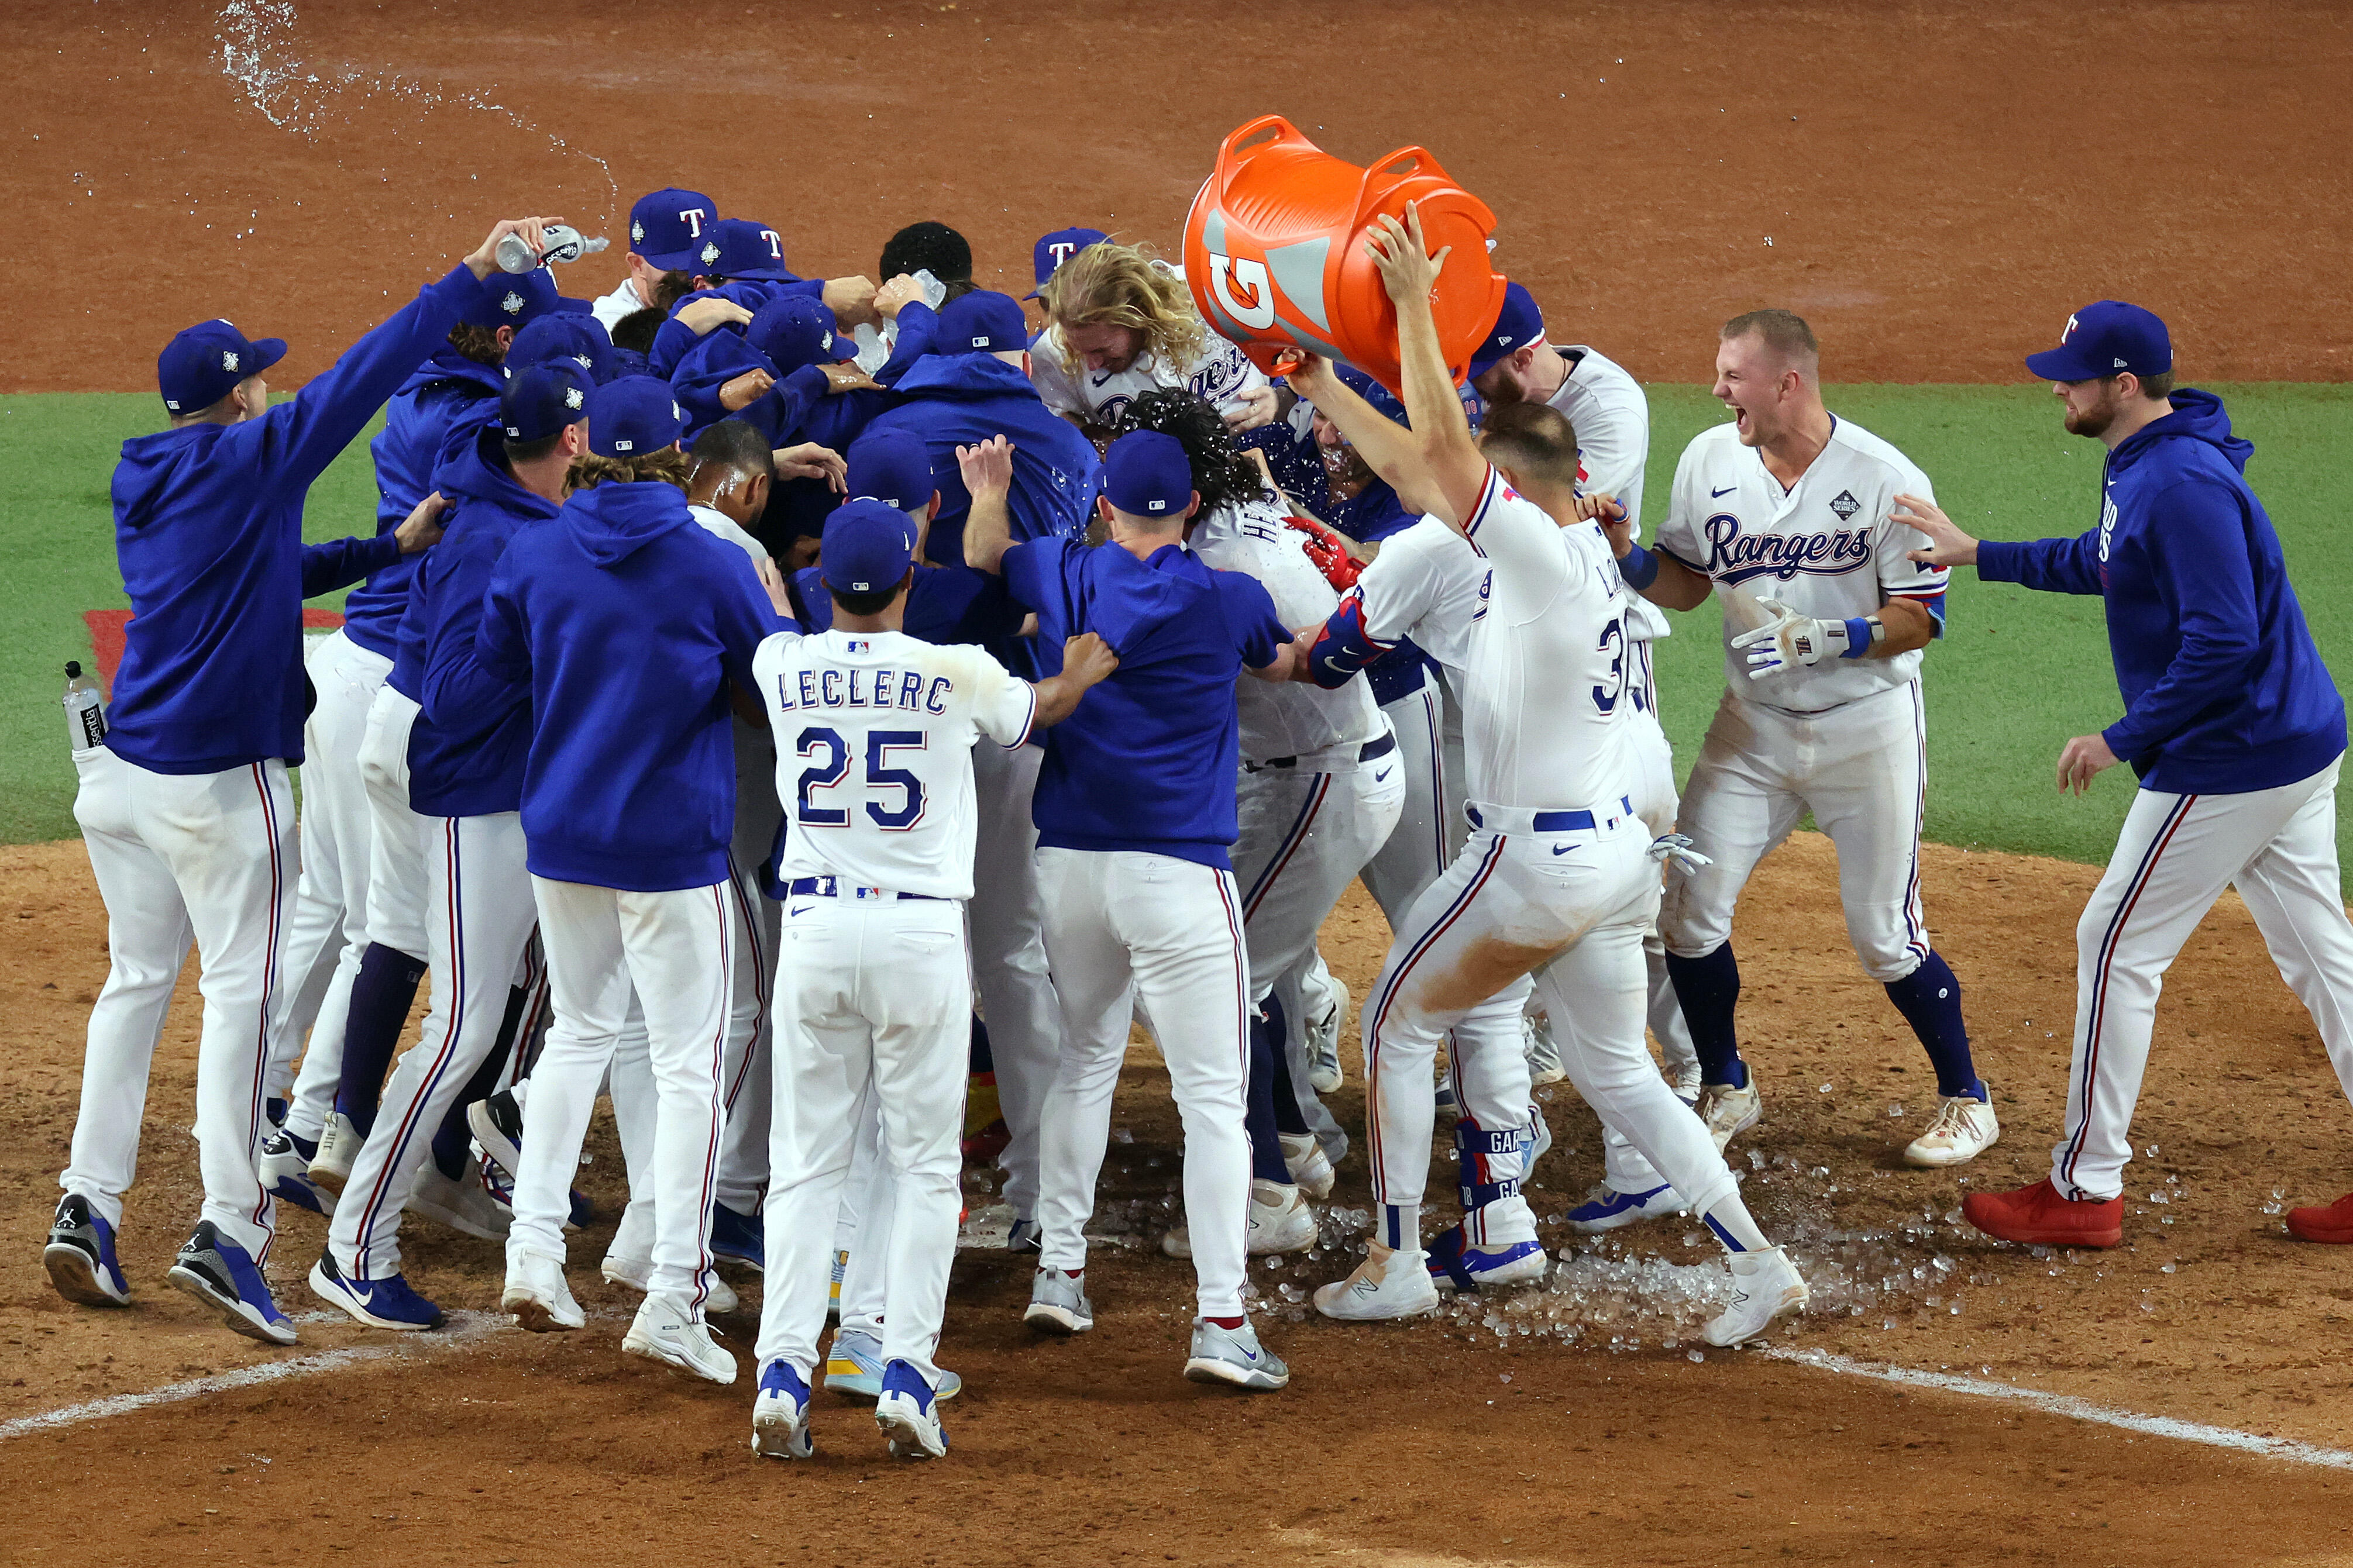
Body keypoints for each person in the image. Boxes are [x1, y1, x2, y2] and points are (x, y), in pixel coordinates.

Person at [1291, 206, 1805, 1347]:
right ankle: (1759, 1261)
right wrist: (1320, 385)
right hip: (1617, 850)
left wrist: (1415, 310)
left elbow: (1433, 455)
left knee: (1394, 1024)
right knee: (1618, 1068)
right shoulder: (1589, 544)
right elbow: (1426, 463)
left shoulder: (1524, 553)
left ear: (1512, 491)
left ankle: (1396, 1261)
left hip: (1539, 859)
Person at [42, 214, 547, 1342]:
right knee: (242, 1004)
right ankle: (230, 1229)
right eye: (260, 380)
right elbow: (363, 377)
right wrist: (468, 274)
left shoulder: (158, 472)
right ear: (237, 401)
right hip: (217, 796)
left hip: (119, 783)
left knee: (134, 989)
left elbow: (264, 569)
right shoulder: (251, 454)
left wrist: (384, 551)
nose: (275, 388)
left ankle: (88, 1200)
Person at [1896, 302, 2353, 1248]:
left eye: (2071, 374)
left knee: (2114, 944)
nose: (2055, 387)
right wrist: (1979, 552)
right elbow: (2110, 564)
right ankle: (2085, 1180)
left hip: (2231, 758)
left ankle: (2083, 1188)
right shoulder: (2149, 461)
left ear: (2124, 384)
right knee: (2322, 963)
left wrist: (2118, 737)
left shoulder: (2179, 483)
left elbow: (2222, 641)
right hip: (2291, 743)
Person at [748, 499, 1117, 1462]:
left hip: (816, 929)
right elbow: (1036, 710)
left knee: (805, 1166)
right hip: (917, 938)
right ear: (911, 576)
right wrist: (1074, 670)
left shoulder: (778, 665)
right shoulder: (954, 670)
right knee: (921, 1167)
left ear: (825, 581)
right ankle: (905, 1374)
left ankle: (783, 1369)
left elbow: (773, 617)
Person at [1615, 308, 1996, 1170]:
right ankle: (1725, 1084)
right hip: (1750, 730)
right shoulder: (1709, 460)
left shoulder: (1883, 479)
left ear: (1786, 382)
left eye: (1732, 376)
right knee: (1686, 913)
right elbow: (1681, 585)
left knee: (1884, 935)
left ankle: (1966, 1100)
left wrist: (1834, 639)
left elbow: (1920, 618)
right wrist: (1627, 553)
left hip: (1866, 731)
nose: (1716, 391)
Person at [961, 428, 1299, 1391]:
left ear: (1106, 506)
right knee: (1213, 1103)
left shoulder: (1067, 574)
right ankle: (1222, 1322)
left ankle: (1060, 1273)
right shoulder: (1229, 595)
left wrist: (988, 487)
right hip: (1179, 877)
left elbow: (986, 554)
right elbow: (1286, 664)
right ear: (1189, 505)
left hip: (1070, 867)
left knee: (1084, 1060)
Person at [476, 376, 785, 1384]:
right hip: (670, 846)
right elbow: (768, 691)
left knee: (579, 1031)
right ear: (674, 455)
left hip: (562, 834)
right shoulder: (709, 561)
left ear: (587, 450)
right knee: (688, 1066)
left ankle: (532, 1253)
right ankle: (672, 1296)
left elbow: (500, 670)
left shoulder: (532, 550)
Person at [285, 263, 587, 1205]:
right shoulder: (484, 461)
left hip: (372, 686)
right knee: (469, 979)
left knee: (372, 928)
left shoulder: (437, 408)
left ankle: (323, 1121)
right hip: (412, 698)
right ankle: (435, 1156)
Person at [1113, 390, 1402, 1259]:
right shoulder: (1257, 500)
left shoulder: (1222, 558)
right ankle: (1293, 1148)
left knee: (1200, 981)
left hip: (1319, 776)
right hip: (1317, 766)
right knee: (1221, 964)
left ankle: (1269, 1194)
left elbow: (1298, 663)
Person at [859, 290, 1100, 1252]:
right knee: (1011, 954)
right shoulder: (1067, 447)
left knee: (898, 958)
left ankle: (886, 1197)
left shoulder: (888, 426)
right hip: (1011, 724)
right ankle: (1039, 1188)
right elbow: (1055, 581)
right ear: (1013, 357)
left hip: (885, 736)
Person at [1030, 239, 1284, 442]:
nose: (1093, 364)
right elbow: (1045, 416)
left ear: (1139, 315)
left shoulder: (1211, 294)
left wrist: (1278, 397)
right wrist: (1093, 437)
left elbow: (1297, 347)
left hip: (1261, 442)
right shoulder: (1053, 352)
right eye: (1079, 350)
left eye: (1101, 349)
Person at [593, 187, 720, 332]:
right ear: (637, 264)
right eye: (681, 270)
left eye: (706, 264)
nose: (697, 279)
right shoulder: (609, 327)